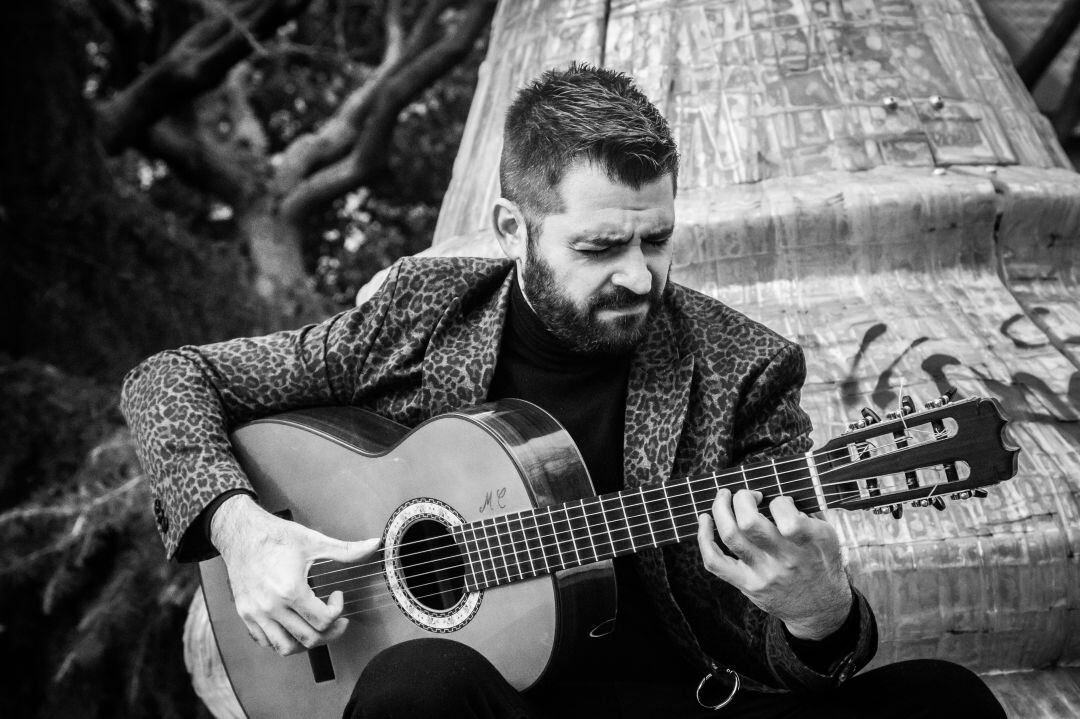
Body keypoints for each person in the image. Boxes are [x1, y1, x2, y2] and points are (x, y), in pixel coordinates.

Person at [121, 63, 1004, 718]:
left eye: (656, 239)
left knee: (944, 699)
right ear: (515, 225)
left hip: (683, 702)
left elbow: (771, 637)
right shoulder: (422, 311)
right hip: (491, 710)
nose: (638, 275)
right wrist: (243, 531)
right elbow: (168, 380)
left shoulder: (744, 367)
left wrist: (819, 612)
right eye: (598, 249)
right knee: (415, 685)